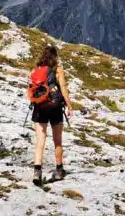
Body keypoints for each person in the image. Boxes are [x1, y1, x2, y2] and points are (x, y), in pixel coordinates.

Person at [30, 44, 73, 184]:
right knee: (57, 140)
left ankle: (37, 172)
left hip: (40, 107)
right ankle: (59, 170)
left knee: (40, 141)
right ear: (55, 57)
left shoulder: (36, 70)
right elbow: (64, 89)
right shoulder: (57, 70)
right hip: (55, 108)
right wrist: (69, 105)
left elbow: (32, 90)